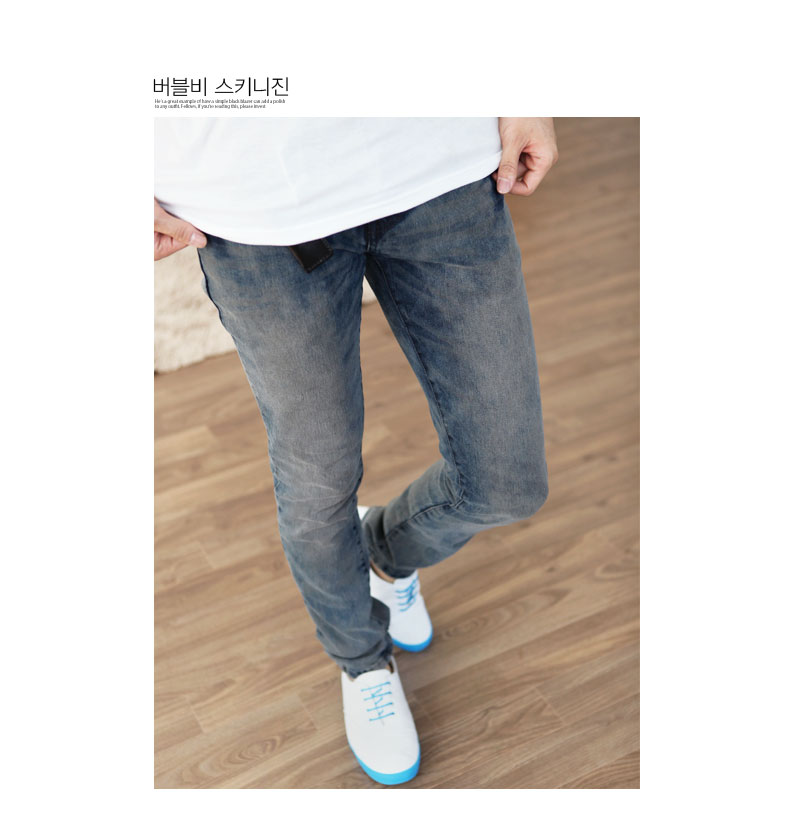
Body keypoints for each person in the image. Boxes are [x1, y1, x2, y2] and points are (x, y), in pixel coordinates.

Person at [154, 117, 558, 786]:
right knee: (318, 481)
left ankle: (382, 552)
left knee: (505, 481)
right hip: (255, 209)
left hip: (441, 165)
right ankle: (362, 660)